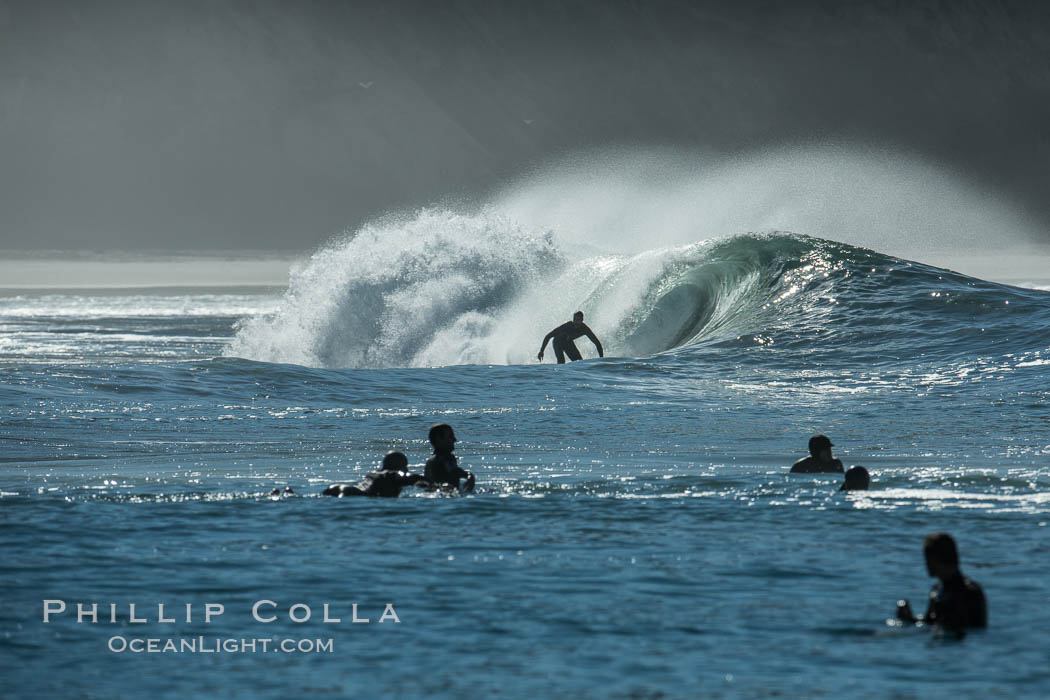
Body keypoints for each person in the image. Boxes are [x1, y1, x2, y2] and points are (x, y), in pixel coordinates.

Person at [896, 533, 987, 634]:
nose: (926, 564)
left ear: (939, 559)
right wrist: (910, 619)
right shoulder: (937, 590)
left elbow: (972, 628)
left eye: (928, 559)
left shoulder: (970, 592)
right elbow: (930, 623)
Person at [322, 451, 426, 498]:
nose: (407, 469)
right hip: (356, 494)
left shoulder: (373, 473)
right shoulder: (391, 474)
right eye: (405, 466)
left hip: (340, 488)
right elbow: (412, 478)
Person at [423, 423, 475, 492]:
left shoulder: (430, 461)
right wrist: (470, 477)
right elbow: (456, 472)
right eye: (450, 436)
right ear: (439, 439)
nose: (454, 439)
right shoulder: (446, 458)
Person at [537, 311, 604, 364]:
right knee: (561, 362)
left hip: (568, 342)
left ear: (582, 320)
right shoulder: (567, 326)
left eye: (578, 320)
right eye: (575, 320)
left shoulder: (584, 329)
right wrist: (541, 351)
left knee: (579, 362)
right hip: (558, 342)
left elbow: (597, 343)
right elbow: (548, 336)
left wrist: (601, 359)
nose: (576, 322)